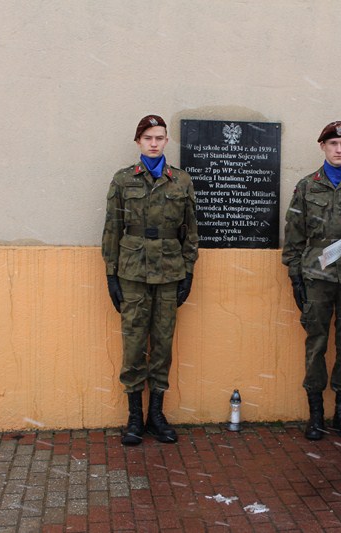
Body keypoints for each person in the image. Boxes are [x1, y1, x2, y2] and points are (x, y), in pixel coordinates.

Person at [101, 114, 199, 446]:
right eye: (148, 138)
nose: (154, 143)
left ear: (166, 141)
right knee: (133, 344)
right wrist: (111, 273)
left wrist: (189, 270)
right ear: (138, 142)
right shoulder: (123, 180)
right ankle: (134, 417)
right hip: (132, 272)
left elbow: (191, 229)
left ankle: (156, 415)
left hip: (169, 272)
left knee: (162, 344)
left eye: (159, 138)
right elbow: (112, 229)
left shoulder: (181, 180)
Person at [282, 121, 341, 441]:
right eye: (333, 144)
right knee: (316, 345)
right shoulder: (307, 187)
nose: (338, 149)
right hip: (316, 277)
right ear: (322, 146)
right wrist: (295, 278)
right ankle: (316, 415)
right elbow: (294, 236)